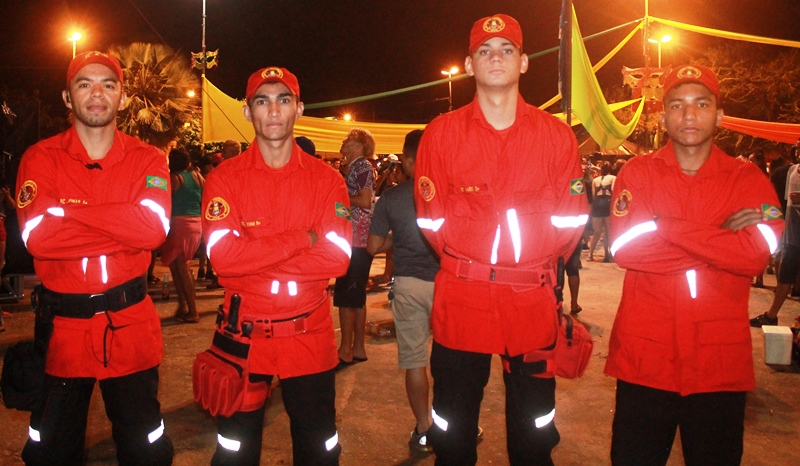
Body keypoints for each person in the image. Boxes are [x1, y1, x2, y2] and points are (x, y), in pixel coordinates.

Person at [414, 14, 588, 465]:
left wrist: (528, 266)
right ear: (469, 64)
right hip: (462, 298)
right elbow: (431, 221)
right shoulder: (442, 133)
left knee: (533, 434)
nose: (496, 58)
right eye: (485, 51)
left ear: (524, 62)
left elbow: (570, 222)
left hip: (531, 302)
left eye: (507, 50)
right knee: (452, 432)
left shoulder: (555, 135)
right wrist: (473, 262)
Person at [606, 64, 783, 465]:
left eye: (701, 104)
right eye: (677, 105)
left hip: (718, 364)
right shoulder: (638, 172)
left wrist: (665, 227)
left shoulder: (747, 178)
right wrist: (720, 237)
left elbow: (756, 254)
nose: (689, 115)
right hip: (645, 359)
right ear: (662, 116)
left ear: (719, 116)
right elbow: (627, 249)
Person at [14, 51, 174, 465]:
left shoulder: (148, 158)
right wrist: (122, 220)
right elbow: (38, 237)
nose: (97, 93)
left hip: (131, 325)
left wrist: (69, 214)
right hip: (62, 331)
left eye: (108, 84)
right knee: (52, 451)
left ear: (122, 96)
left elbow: (152, 229)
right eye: (84, 84)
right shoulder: (40, 157)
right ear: (68, 98)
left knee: (145, 450)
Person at [198, 66, 351, 465]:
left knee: (319, 449)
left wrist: (251, 261)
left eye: (284, 100)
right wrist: (303, 239)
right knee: (234, 451)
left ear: (298, 108)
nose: (274, 110)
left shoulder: (327, 180)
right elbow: (222, 259)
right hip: (242, 336)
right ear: (248, 112)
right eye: (262, 101)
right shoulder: (224, 178)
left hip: (308, 335)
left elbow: (337, 257)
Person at [367, 129, 440, 454]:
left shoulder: (392, 198)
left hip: (409, 285)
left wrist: (398, 237)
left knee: (415, 361)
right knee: (451, 359)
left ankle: (424, 429)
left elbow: (372, 247)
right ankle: (455, 425)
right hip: (448, 283)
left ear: (408, 160)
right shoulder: (448, 191)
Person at [334, 128, 375, 367]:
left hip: (355, 239)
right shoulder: (357, 167)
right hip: (358, 239)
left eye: (347, 140)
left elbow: (365, 200)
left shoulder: (361, 166)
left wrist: (337, 198)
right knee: (357, 296)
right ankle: (357, 347)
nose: (343, 142)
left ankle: (345, 350)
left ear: (358, 145)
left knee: (346, 297)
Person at [751, 161, 800, 327]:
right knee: (785, 275)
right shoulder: (792, 171)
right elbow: (784, 204)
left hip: (793, 236)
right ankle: (771, 316)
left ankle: (772, 316)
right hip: (792, 235)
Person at [161, 148, 204, 323]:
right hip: (196, 223)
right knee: (177, 267)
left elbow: (164, 198)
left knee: (181, 268)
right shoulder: (197, 176)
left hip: (179, 224)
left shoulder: (174, 178)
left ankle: (192, 310)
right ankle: (183, 306)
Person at [589, 161, 615, 262]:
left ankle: (590, 255)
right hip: (607, 203)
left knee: (597, 232)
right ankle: (607, 255)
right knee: (607, 231)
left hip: (597, 204)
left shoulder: (595, 180)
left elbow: (593, 195)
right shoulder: (613, 178)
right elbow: (613, 190)